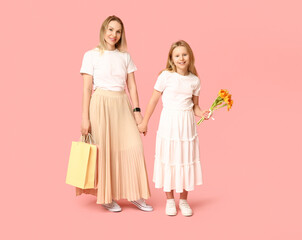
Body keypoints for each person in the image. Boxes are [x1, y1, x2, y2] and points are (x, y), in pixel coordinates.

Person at [78, 15, 152, 212]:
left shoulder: (125, 56)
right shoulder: (91, 55)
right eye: (111, 29)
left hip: (122, 103)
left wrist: (137, 112)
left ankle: (134, 193)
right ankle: (106, 196)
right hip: (100, 103)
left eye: (118, 31)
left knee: (134, 146)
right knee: (105, 151)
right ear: (103, 30)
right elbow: (86, 89)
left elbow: (132, 86)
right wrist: (85, 118)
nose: (114, 34)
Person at [138, 40, 210, 216]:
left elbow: (195, 107)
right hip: (169, 123)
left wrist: (203, 113)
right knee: (169, 158)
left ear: (190, 56)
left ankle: (184, 200)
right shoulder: (165, 76)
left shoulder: (195, 80)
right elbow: (153, 100)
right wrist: (145, 121)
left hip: (186, 126)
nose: (181, 58)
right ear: (171, 58)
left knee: (185, 159)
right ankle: (170, 199)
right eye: (177, 55)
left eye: (184, 54)